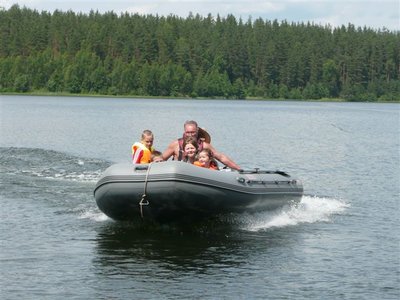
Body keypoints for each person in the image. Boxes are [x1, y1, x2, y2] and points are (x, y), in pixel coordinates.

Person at [162, 120, 241, 170]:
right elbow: (162, 159)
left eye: (192, 132)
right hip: (180, 174)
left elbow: (221, 157)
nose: (190, 135)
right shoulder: (175, 145)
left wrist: (238, 169)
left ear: (197, 131)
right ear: (184, 131)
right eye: (188, 132)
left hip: (200, 175)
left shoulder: (205, 145)